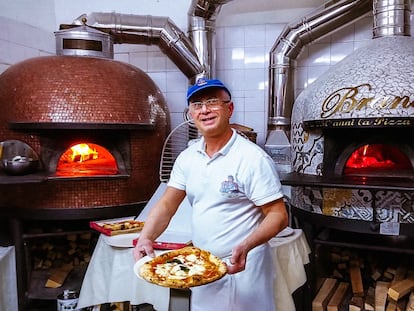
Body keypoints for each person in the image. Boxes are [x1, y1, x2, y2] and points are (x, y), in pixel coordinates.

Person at [133, 78, 288, 311]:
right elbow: (167, 204)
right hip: (202, 264)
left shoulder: (252, 158)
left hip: (243, 266)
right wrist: (146, 236)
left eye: (212, 102)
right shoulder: (188, 157)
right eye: (197, 104)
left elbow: (278, 215)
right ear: (191, 114)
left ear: (230, 109)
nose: (204, 110)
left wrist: (246, 246)